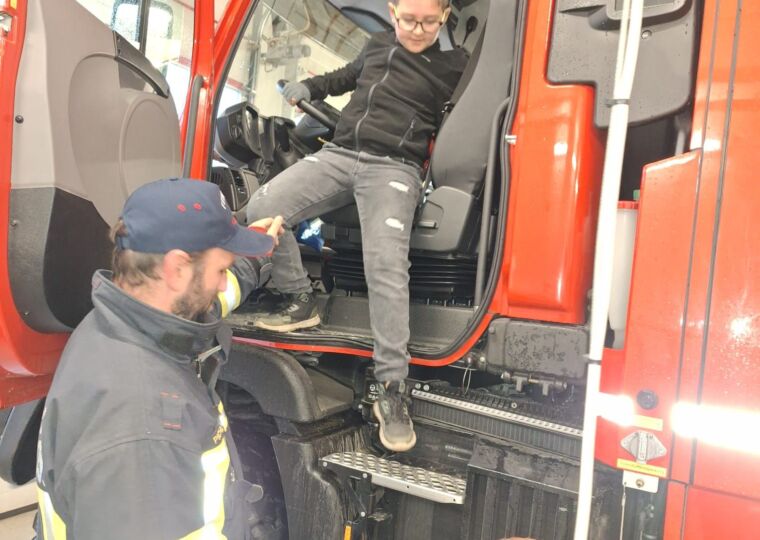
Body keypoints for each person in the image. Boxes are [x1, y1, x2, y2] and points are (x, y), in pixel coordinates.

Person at [246, 0, 467, 453]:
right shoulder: (378, 44)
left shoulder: (454, 66)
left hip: (395, 166)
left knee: (385, 263)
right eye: (409, 19)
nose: (417, 30)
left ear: (445, 16)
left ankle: (392, 388)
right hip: (340, 155)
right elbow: (342, 78)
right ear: (393, 10)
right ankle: (299, 298)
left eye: (429, 21)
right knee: (263, 206)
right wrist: (309, 86)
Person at [35, 178, 283, 540]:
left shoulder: (113, 324)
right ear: (176, 269)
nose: (221, 283)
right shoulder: (142, 435)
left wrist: (254, 259)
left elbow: (213, 298)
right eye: (220, 270)